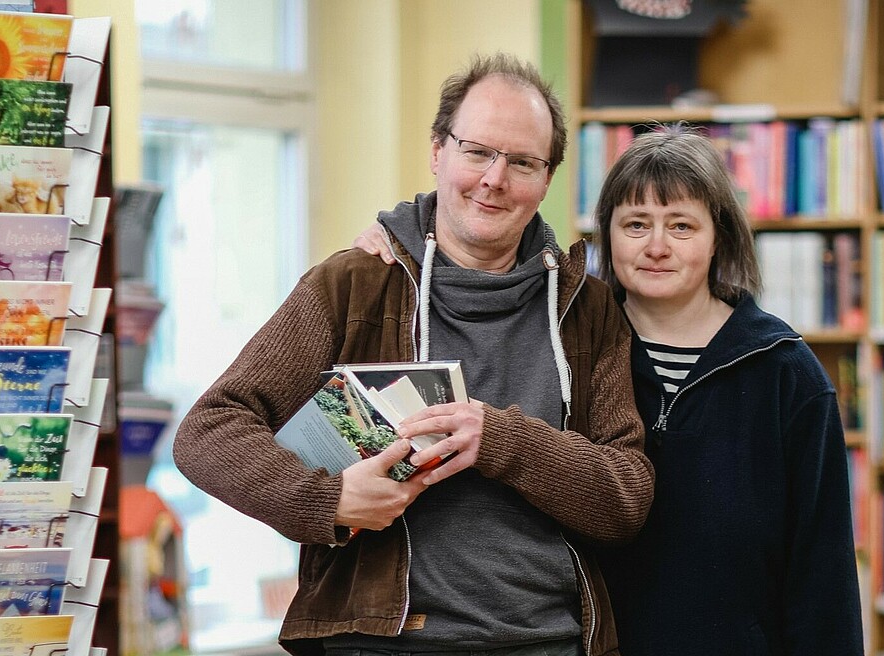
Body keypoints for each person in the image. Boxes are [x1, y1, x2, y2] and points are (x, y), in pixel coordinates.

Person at [172, 53, 653, 656]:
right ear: (437, 151)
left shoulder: (588, 306)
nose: (495, 179)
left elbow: (625, 498)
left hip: (550, 641)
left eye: (523, 162)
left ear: (547, 178)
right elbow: (206, 432)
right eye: (477, 151)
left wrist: (501, 440)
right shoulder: (352, 286)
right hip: (382, 641)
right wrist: (327, 500)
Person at [356, 127, 863, 654]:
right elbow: (485, 238)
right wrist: (392, 237)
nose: (657, 247)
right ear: (608, 235)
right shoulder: (567, 343)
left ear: (721, 237)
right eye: (635, 225)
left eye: (682, 226)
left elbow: (822, 570)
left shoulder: (785, 372)